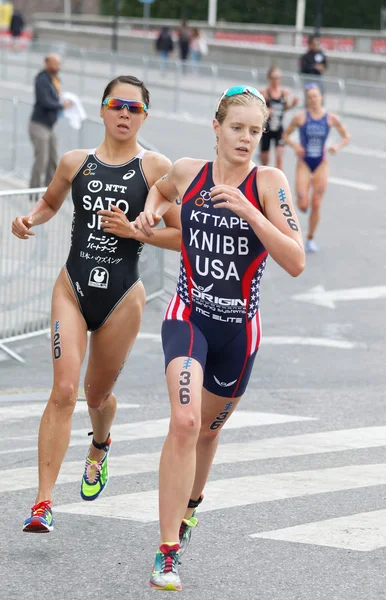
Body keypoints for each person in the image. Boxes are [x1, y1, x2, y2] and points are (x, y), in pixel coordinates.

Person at [133, 85, 305, 591]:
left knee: (207, 431)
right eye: (237, 128)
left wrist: (249, 211)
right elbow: (162, 190)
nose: (247, 139)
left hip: (239, 332)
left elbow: (295, 260)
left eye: (255, 131)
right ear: (216, 127)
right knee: (184, 421)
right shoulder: (190, 171)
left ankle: (190, 508)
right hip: (188, 315)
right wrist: (148, 210)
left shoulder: (269, 182)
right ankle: (166, 551)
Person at [11, 75, 181, 534]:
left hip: (122, 298)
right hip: (71, 286)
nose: (125, 114)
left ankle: (100, 445)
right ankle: (43, 502)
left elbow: (182, 237)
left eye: (135, 108)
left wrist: (134, 231)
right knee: (64, 391)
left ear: (145, 115)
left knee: (96, 395)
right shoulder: (74, 162)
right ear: (102, 110)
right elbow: (48, 203)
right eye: (116, 105)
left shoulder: (156, 168)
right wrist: (29, 220)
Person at [283, 83, 350, 253]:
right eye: (310, 96)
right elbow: (285, 135)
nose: (313, 99)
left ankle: (310, 238)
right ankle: (302, 209)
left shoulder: (330, 118)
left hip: (321, 163)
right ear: (307, 99)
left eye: (316, 96)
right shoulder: (300, 117)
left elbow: (346, 136)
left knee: (316, 202)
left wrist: (336, 147)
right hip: (304, 162)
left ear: (321, 97)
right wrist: (295, 146)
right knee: (303, 203)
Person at [29, 54, 72, 190]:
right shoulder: (42, 80)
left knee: (53, 158)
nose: (57, 67)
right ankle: (33, 191)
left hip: (49, 126)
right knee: (41, 160)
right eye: (54, 64)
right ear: (47, 63)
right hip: (39, 125)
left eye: (58, 64)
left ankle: (49, 190)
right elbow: (45, 101)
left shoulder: (54, 80)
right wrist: (61, 105)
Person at [259, 66, 298, 171]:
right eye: (274, 77)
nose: (276, 79)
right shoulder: (264, 93)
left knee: (279, 158)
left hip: (278, 129)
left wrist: (293, 104)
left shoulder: (284, 92)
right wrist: (266, 111)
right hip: (266, 129)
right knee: (264, 161)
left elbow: (284, 108)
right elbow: (256, 110)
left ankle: (279, 184)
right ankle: (264, 182)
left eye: (278, 77)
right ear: (269, 78)